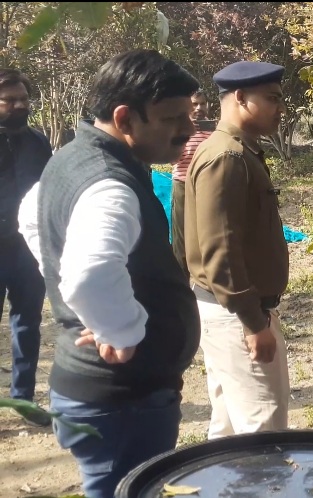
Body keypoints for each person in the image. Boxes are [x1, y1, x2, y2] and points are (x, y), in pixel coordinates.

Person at [17, 49, 200, 498]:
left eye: (188, 114)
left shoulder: (73, 155)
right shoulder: (110, 184)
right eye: (173, 118)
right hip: (124, 401)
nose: (188, 128)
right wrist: (120, 331)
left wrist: (84, 303)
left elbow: (30, 214)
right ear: (124, 118)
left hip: (103, 397)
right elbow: (89, 272)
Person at [183, 61, 291, 439]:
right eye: (272, 99)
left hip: (228, 310)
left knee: (229, 431)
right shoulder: (227, 157)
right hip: (236, 314)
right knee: (264, 431)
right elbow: (221, 252)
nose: (280, 108)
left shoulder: (236, 150)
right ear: (241, 97)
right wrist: (253, 323)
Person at [0, 68, 50, 427]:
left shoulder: (38, 143)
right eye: (10, 100)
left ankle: (24, 400)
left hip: (27, 251)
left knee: (27, 324)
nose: (20, 105)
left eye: (23, 99)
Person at [170, 91, 213, 274]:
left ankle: (205, 273)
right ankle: (181, 276)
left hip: (207, 186)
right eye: (194, 104)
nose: (199, 108)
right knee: (181, 234)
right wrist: (184, 135)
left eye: (202, 104)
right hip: (182, 184)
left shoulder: (214, 129)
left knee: (206, 231)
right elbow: (172, 160)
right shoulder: (178, 128)